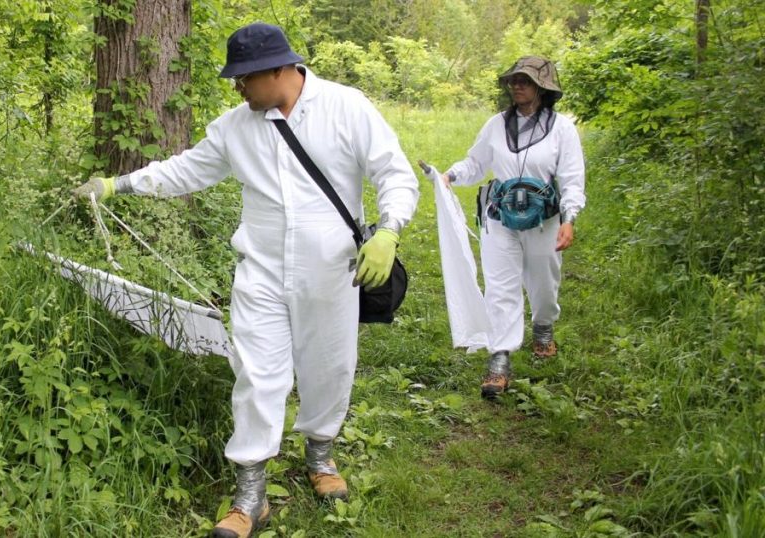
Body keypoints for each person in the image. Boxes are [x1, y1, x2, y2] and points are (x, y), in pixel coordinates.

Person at [71, 22, 419, 538]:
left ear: (278, 70)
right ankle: (251, 495)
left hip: (332, 273)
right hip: (260, 272)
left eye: (244, 78)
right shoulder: (235, 127)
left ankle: (320, 458)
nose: (236, 87)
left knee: (329, 366)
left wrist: (388, 230)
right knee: (257, 374)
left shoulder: (347, 107)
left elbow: (395, 174)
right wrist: (117, 184)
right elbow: (183, 171)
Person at [441, 56, 585, 400]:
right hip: (500, 217)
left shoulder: (562, 128)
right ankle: (500, 358)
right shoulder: (495, 125)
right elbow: (476, 162)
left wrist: (569, 217)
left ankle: (543, 326)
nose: (517, 85)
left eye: (525, 80)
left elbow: (572, 178)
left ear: (542, 87)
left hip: (543, 219)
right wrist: (450, 175)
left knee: (544, 282)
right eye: (514, 80)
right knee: (500, 286)